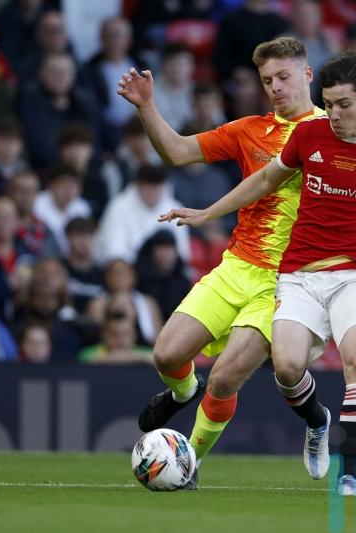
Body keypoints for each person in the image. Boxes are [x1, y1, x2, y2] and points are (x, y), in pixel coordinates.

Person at [160, 51, 356, 495]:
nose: (333, 114)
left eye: (344, 105)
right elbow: (262, 182)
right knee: (287, 366)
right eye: (328, 103)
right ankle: (317, 421)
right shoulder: (309, 134)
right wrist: (209, 213)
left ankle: (349, 475)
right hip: (299, 276)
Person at [116, 36, 325, 480]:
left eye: (284, 77)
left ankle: (187, 461)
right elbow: (177, 152)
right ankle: (181, 392)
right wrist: (146, 106)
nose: (276, 87)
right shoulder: (250, 129)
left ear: (308, 74)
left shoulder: (332, 133)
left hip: (286, 282)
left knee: (226, 377)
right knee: (166, 355)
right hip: (235, 268)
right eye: (267, 80)